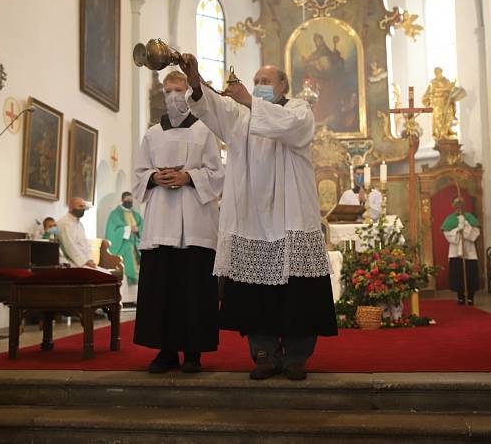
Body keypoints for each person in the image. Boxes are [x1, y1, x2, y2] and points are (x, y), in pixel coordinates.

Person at [182, 54, 337, 382]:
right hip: (253, 218)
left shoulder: (299, 110)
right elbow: (210, 107)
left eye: (266, 81)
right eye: (256, 81)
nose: (259, 86)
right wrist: (195, 81)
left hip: (292, 216)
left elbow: (292, 129)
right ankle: (263, 354)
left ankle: (296, 356)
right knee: (255, 295)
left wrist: (252, 101)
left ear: (283, 85)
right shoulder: (238, 115)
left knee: (300, 292)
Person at [132, 70, 225, 373]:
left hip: (196, 222)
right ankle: (165, 351)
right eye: (168, 90)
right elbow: (138, 174)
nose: (173, 96)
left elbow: (218, 175)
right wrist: (153, 177)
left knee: (193, 289)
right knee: (163, 289)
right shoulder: (151, 134)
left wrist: (188, 176)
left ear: (188, 92)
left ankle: (193, 352)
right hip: (161, 220)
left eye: (178, 89)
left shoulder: (205, 131)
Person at [105, 192, 143, 305]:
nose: (129, 202)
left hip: (136, 245)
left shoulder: (136, 215)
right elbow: (113, 231)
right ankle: (126, 299)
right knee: (127, 265)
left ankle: (135, 298)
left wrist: (138, 229)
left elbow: (143, 226)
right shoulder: (115, 214)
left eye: (131, 200)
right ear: (122, 199)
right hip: (122, 246)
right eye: (127, 199)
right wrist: (127, 229)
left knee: (138, 266)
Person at [441, 196, 480, 305]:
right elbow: (448, 235)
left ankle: (471, 297)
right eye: (456, 203)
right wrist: (458, 229)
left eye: (460, 203)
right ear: (453, 205)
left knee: (470, 274)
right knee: (458, 275)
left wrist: (466, 225)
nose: (458, 206)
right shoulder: (450, 219)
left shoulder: (470, 218)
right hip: (455, 251)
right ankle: (461, 297)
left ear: (464, 205)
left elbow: (475, 234)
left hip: (469, 251)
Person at [57, 197, 98, 268]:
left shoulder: (79, 223)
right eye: (80, 206)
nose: (83, 209)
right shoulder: (64, 223)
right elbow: (69, 246)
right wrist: (85, 262)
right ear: (71, 208)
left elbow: (85, 244)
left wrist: (90, 259)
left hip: (85, 262)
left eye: (83, 206)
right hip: (72, 262)